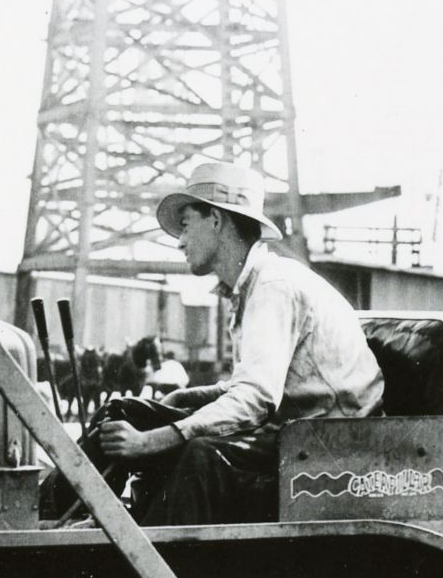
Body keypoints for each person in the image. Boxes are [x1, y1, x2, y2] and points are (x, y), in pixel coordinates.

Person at [69, 161, 379, 525]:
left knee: (200, 455)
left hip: (330, 445)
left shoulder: (272, 288)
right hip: (290, 434)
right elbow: (250, 389)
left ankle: (149, 562)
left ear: (215, 220)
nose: (180, 241)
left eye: (185, 225)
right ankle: (51, 523)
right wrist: (186, 398)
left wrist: (152, 440)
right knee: (122, 411)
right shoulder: (249, 290)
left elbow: (257, 398)